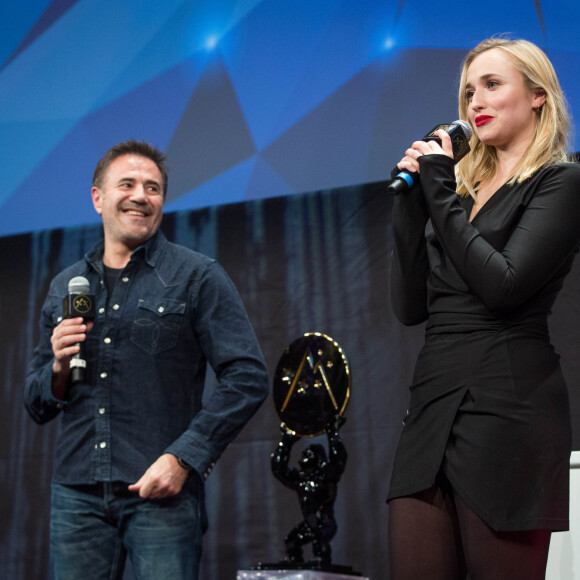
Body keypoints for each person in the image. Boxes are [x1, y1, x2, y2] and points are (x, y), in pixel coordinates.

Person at [24, 140, 270, 579]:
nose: (141, 195)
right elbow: (35, 402)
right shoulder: (67, 286)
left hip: (162, 496)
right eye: (128, 184)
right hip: (76, 495)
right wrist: (59, 369)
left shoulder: (196, 276)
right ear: (98, 198)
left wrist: (185, 458)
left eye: (153, 188)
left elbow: (247, 376)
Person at [387, 37, 580, 579]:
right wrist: (409, 208)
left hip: (508, 411)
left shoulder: (561, 182)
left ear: (538, 96)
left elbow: (504, 285)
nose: (474, 102)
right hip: (432, 407)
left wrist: (440, 193)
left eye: (493, 85)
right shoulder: (460, 193)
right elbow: (408, 308)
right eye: (469, 90)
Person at [271, 417, 347, 564]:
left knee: (320, 542)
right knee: (291, 541)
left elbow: (339, 459)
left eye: (309, 454)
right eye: (304, 455)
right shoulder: (301, 479)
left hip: (325, 522)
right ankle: (294, 564)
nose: (304, 457)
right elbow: (278, 469)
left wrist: (333, 433)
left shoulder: (326, 476)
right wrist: (286, 440)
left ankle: (321, 562)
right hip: (310, 522)